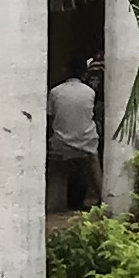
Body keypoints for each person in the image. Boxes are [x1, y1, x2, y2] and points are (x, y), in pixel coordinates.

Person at [46, 64, 98, 212]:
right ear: (84, 74)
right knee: (94, 171)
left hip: (61, 143)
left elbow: (51, 118)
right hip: (86, 143)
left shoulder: (55, 91)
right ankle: (102, 199)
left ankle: (53, 205)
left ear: (65, 72)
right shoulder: (90, 92)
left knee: (56, 173)